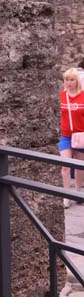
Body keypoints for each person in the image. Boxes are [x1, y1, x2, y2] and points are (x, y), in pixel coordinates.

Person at [59, 68, 84, 205]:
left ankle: (78, 193)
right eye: (67, 80)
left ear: (77, 81)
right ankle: (66, 195)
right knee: (65, 166)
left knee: (79, 167)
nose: (69, 83)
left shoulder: (83, 96)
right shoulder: (61, 96)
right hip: (66, 136)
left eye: (72, 80)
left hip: (81, 136)